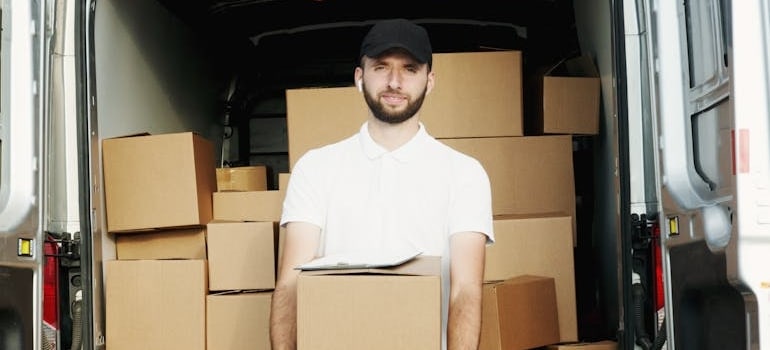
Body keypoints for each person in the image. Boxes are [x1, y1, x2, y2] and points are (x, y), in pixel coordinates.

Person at [270, 18, 494, 350]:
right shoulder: (316, 168)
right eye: (380, 67)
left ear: (430, 81)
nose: (394, 81)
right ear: (360, 77)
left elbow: (465, 290)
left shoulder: (464, 173)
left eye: (410, 69)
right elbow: (290, 284)